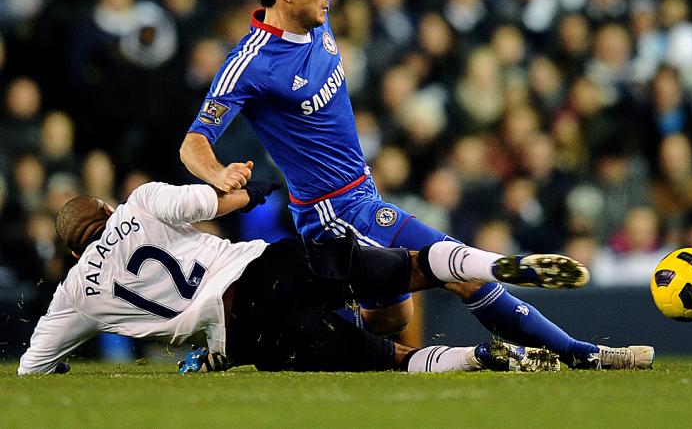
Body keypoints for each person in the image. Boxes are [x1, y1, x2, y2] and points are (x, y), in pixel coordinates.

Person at [180, 0, 653, 370]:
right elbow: (194, 142)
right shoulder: (251, 63)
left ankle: (284, 337)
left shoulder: (314, 14)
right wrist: (218, 174)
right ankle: (582, 354)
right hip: (332, 214)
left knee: (388, 321)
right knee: (460, 270)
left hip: (362, 194)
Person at [19, 179, 571, 375]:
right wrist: (244, 189)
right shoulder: (138, 205)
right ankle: (490, 263)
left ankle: (480, 358)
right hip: (265, 268)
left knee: (388, 361)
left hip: (246, 336)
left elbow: (31, 365)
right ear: (105, 209)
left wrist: (61, 363)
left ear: (72, 252)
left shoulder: (74, 293)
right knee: (411, 266)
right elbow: (215, 198)